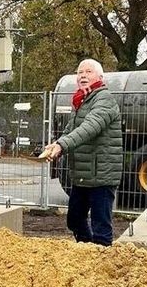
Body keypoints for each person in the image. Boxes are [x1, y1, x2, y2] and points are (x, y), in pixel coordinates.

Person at [42, 59, 123, 246]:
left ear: (100, 77)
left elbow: (89, 127)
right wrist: (56, 145)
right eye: (80, 72)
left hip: (101, 174)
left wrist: (62, 145)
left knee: (101, 227)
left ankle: (102, 257)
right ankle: (87, 251)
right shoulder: (82, 100)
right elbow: (72, 129)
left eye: (88, 71)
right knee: (75, 220)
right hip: (83, 174)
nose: (83, 75)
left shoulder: (104, 99)